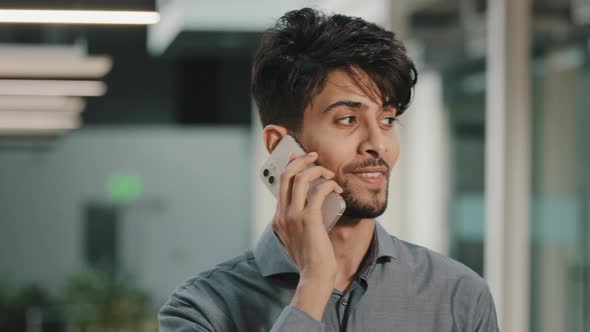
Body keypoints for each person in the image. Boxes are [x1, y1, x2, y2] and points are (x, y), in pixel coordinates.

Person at [159, 7, 498, 331]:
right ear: (281, 145)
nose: (377, 144)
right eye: (348, 119)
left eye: (387, 119)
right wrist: (314, 285)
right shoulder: (202, 309)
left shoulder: (458, 296)